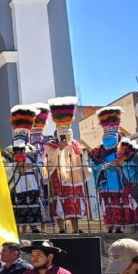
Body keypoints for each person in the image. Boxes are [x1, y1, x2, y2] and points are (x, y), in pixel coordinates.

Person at [88, 107, 138, 233]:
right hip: (107, 184)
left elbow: (132, 164)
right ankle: (110, 226)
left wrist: (122, 163)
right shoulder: (97, 151)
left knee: (122, 203)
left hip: (121, 182)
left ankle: (121, 227)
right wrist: (105, 166)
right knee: (108, 205)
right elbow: (93, 167)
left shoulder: (126, 148)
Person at [46, 97, 88, 234]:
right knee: (59, 202)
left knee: (73, 203)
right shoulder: (51, 145)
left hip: (73, 179)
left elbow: (82, 158)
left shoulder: (76, 144)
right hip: (58, 179)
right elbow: (48, 161)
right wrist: (60, 149)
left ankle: (76, 229)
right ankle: (62, 229)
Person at [2, 106, 45, 234]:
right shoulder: (8, 150)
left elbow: (40, 164)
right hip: (17, 181)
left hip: (31, 180)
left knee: (32, 203)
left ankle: (34, 227)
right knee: (18, 204)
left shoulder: (32, 149)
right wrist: (16, 166)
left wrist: (31, 166)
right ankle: (19, 228)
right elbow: (3, 166)